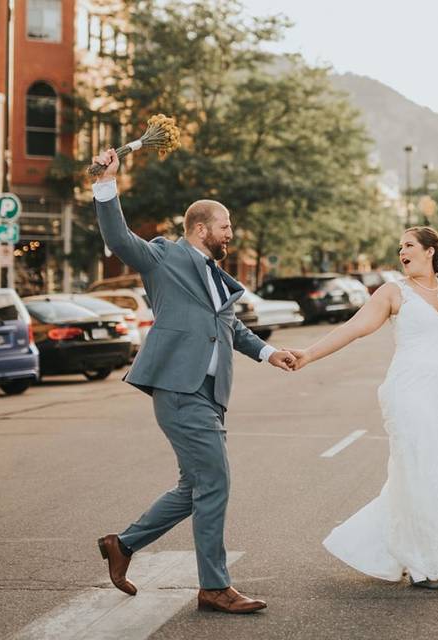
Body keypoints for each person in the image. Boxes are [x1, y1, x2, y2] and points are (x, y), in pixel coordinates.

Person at [90, 148, 296, 614]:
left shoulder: (218, 278)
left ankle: (122, 544)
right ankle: (214, 586)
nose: (231, 234)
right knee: (216, 482)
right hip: (178, 388)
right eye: (226, 227)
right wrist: (106, 185)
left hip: (209, 392)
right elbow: (119, 239)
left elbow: (230, 327)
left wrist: (268, 352)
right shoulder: (164, 257)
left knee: (195, 486)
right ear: (202, 229)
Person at [291, 227, 438, 590]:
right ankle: (431, 562)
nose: (402, 251)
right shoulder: (393, 292)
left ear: (430, 252)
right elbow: (354, 329)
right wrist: (308, 354)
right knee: (421, 467)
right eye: (400, 247)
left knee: (428, 471)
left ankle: (396, 548)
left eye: (409, 245)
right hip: (408, 391)